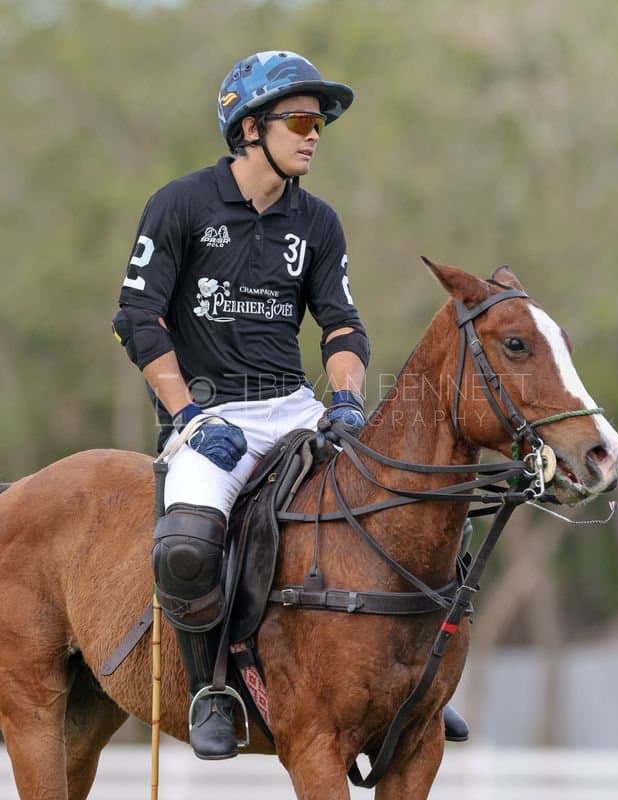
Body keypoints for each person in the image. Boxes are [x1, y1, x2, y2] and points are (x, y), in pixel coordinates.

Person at [112, 50, 467, 760]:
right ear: (248, 126)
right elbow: (139, 319)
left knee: (401, 511)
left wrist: (343, 400)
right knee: (185, 550)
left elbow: (340, 324)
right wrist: (185, 418)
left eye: (320, 124)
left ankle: (418, 683)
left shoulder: (319, 222)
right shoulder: (181, 204)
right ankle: (212, 687)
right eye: (301, 119)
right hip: (209, 414)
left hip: (292, 409)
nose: (314, 134)